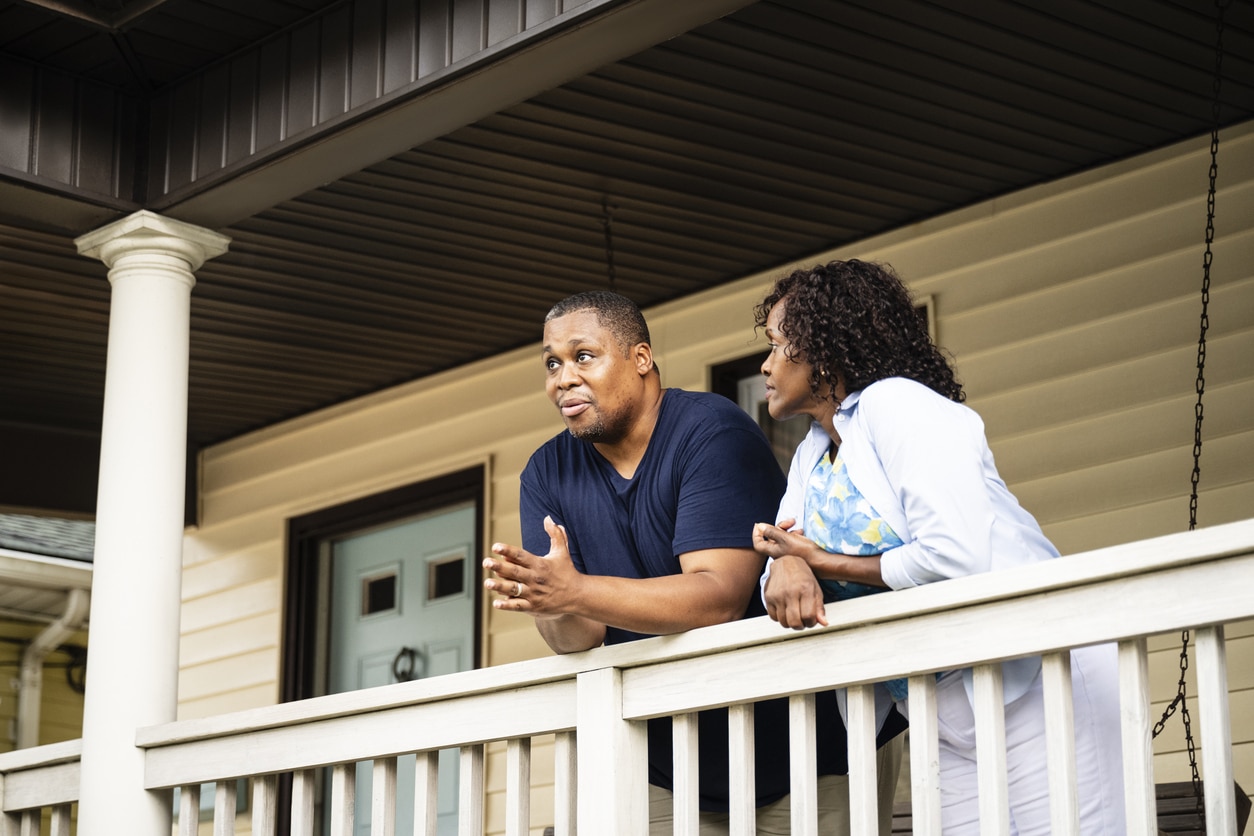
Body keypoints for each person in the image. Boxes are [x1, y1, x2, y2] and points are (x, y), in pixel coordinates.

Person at [484, 290, 903, 835]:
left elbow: (719, 599)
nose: (563, 378)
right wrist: (550, 597)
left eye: (583, 356)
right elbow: (579, 634)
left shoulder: (710, 430)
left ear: (640, 359)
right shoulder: (546, 473)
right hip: (667, 763)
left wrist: (575, 591)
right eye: (552, 363)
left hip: (807, 746)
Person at [750, 259, 1125, 834]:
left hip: (1031, 675)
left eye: (778, 345)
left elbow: (956, 554)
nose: (766, 364)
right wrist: (785, 569)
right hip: (936, 702)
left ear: (823, 350)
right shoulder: (810, 453)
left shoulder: (897, 405)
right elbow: (782, 554)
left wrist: (820, 561)